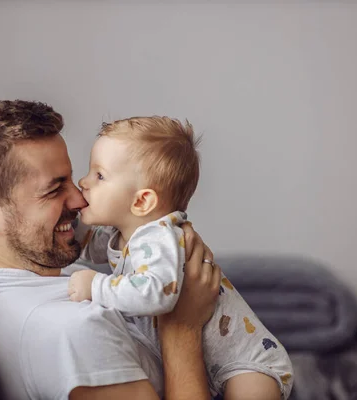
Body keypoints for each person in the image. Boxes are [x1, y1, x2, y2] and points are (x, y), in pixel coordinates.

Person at [0, 99, 284, 399]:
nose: (80, 198)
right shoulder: (75, 333)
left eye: (81, 178)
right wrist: (182, 328)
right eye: (54, 188)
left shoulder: (1, 293)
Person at [67, 116, 293, 399]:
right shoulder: (123, 233)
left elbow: (155, 294)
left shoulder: (159, 238)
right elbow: (85, 245)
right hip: (209, 365)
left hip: (248, 362)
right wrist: (67, 217)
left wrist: (96, 287)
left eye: (99, 175)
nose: (83, 182)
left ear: (142, 201)